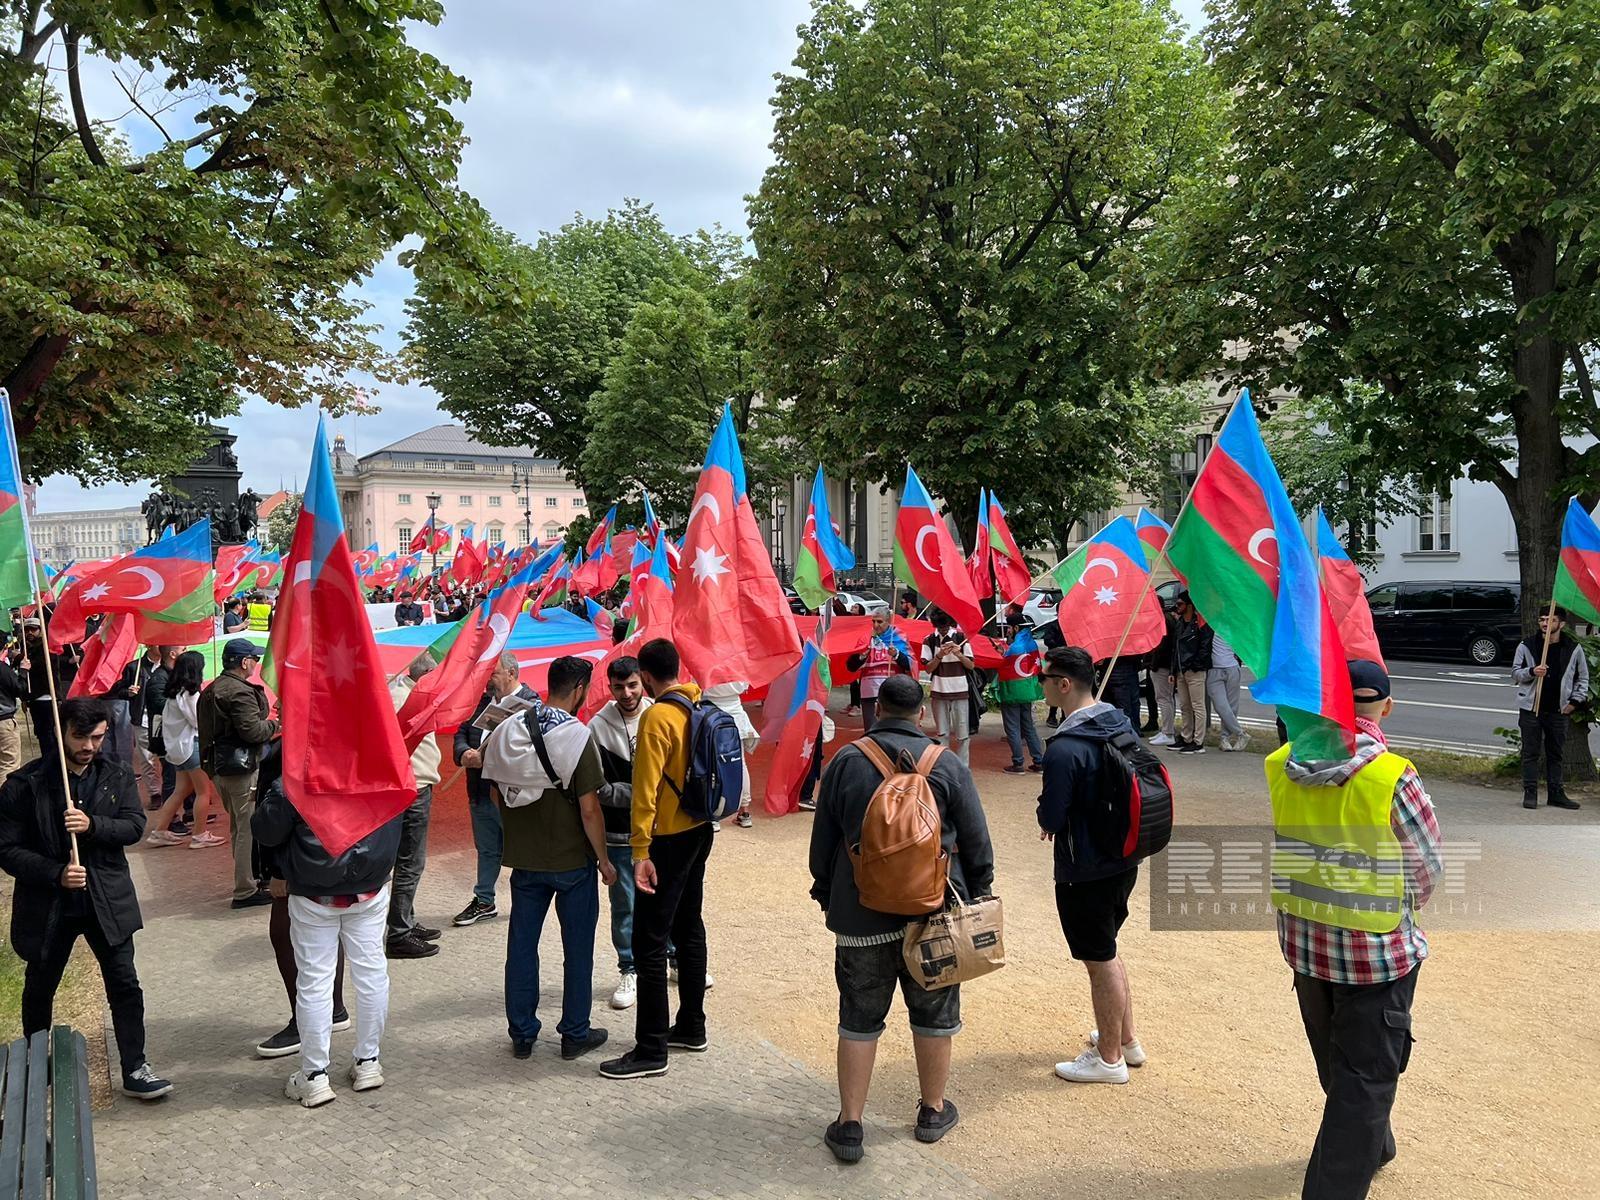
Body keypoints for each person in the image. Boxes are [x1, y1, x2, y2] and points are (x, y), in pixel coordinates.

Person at [1267, 659, 1442, 1198]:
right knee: (1365, 1077)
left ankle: (1374, 1142)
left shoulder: (1281, 762)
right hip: (1375, 953)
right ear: (1385, 707)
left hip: (1305, 944)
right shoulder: (1392, 775)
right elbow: (1426, 868)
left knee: (1341, 1061)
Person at [807, 673, 994, 1163]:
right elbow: (976, 842)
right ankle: (932, 1110)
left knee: (859, 1017)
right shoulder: (946, 764)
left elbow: (822, 845)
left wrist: (828, 896)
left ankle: (850, 1124)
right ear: (922, 709)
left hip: (859, 916)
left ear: (878, 707)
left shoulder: (847, 762)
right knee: (934, 1013)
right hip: (933, 915)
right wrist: (979, 892)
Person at [0, 696, 173, 1099]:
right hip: (48, 905)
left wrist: (93, 825)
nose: (90, 746)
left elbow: (132, 827)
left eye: (97, 737)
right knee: (40, 986)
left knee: (125, 983)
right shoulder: (24, 786)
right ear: (60, 732)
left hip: (106, 900)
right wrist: (55, 873)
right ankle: (36, 1061)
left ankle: (135, 1065)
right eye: (81, 737)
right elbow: (6, 849)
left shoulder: (114, 776)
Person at [481, 656, 616, 1060]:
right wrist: (605, 861)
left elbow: (493, 790)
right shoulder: (576, 735)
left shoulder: (510, 727)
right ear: (578, 690)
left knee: (522, 948)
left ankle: (522, 1033)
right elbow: (590, 809)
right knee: (578, 950)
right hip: (572, 861)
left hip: (525, 860)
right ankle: (575, 1032)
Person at [252, 758, 401, 1108]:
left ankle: (315, 1074)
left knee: (315, 980)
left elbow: (266, 830)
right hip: (369, 883)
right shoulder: (378, 759)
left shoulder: (298, 770)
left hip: (314, 888)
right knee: (372, 972)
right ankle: (368, 1062)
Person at [599, 638, 714, 1080]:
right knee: (689, 927)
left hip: (665, 840)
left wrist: (640, 850)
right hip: (699, 829)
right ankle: (691, 1025)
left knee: (648, 942)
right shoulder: (697, 705)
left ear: (645, 678)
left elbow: (643, 794)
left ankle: (650, 1049)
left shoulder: (656, 718)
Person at [1037, 645, 1145, 1084]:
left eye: (1044, 677)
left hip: (1086, 867)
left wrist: (1045, 812)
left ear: (1064, 684)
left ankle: (1109, 1060)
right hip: (1123, 855)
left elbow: (1051, 818)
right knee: (1108, 950)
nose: (1040, 683)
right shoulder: (1117, 722)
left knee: (1099, 958)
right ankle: (1125, 1041)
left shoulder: (1065, 748)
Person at [252, 743, 352, 1060]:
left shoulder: (295, 744)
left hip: (301, 860)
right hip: (333, 858)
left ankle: (305, 1020)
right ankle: (332, 1009)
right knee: (322, 933)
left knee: (287, 936)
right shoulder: (332, 741)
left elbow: (279, 815)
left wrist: (276, 871)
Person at [452, 653, 536, 927]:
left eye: (494, 672)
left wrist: (486, 759)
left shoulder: (530, 705)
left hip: (510, 797)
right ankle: (484, 900)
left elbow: (528, 749)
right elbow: (462, 730)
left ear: (511, 673)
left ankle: (528, 902)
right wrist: (464, 753)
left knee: (522, 850)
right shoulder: (483, 700)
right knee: (487, 849)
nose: (489, 678)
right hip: (479, 791)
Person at [589, 655, 652, 1010]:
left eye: (632, 685)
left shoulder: (658, 714)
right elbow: (598, 787)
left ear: (642, 682)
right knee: (624, 903)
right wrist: (646, 794)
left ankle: (670, 957)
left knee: (663, 897)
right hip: (618, 834)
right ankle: (629, 967)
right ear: (609, 687)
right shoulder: (598, 727)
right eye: (619, 687)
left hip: (658, 832)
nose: (627, 693)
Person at [198, 638, 280, 908]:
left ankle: (246, 880)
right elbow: (253, 731)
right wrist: (278, 725)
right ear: (244, 662)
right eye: (254, 660)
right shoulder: (239, 692)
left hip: (220, 768)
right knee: (245, 829)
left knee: (238, 827)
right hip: (240, 768)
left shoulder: (212, 689)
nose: (256, 664)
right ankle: (245, 888)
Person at [386, 654, 443, 959]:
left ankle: (404, 919)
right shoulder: (407, 698)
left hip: (409, 785)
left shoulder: (399, 692)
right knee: (410, 861)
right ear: (425, 677)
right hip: (413, 787)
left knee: (406, 859)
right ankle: (399, 933)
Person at [144, 651, 224, 848]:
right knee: (203, 792)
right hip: (192, 746)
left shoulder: (175, 692)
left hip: (179, 749)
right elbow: (198, 722)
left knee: (180, 791)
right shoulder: (190, 694)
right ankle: (199, 834)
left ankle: (160, 830)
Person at [1512, 606, 1587, 810]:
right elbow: (1516, 673)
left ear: (1561, 624)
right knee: (1531, 753)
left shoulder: (1573, 648)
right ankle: (1530, 792)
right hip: (1531, 709)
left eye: (1550, 620)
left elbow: (1582, 677)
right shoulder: (1527, 645)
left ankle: (1556, 793)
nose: (1545, 623)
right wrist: (1532, 671)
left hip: (1558, 710)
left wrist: (1574, 703)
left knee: (1556, 753)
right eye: (1542, 619)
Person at [109, 645, 164, 807]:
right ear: (147, 645)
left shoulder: (169, 665)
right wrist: (129, 692)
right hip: (144, 719)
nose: (160, 646)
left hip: (164, 719)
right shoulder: (134, 667)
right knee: (147, 759)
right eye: (156, 643)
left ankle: (171, 790)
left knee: (167, 759)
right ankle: (155, 793)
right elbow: (118, 690)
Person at [920, 610, 974, 766]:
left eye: (945, 627)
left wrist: (959, 654)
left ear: (950, 624)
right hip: (939, 691)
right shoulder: (929, 640)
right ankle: (943, 766)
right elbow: (928, 668)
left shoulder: (961, 638)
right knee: (941, 733)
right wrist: (939, 655)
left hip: (960, 690)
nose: (943, 631)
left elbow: (971, 665)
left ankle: (963, 767)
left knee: (963, 734)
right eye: (940, 628)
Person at [703, 680, 759, 828]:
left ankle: (713, 815)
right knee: (740, 763)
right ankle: (744, 812)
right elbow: (746, 685)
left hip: (711, 716)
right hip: (736, 714)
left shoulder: (705, 660)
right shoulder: (738, 660)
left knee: (711, 765)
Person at [845, 613, 913, 733]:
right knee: (872, 731)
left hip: (893, 691)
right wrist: (861, 656)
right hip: (869, 692)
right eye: (874, 621)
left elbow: (910, 665)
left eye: (880, 622)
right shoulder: (865, 638)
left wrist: (897, 655)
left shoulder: (898, 637)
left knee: (892, 730)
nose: (876, 625)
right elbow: (851, 667)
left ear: (888, 622)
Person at [997, 630, 1046, 775]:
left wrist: (1002, 652)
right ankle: (1039, 761)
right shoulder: (1031, 644)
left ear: (1015, 627)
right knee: (1029, 727)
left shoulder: (1014, 647)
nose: (1008, 630)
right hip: (1027, 691)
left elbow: (1005, 664)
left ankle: (1018, 763)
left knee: (1012, 728)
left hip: (1012, 691)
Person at [1170, 592, 1212, 754]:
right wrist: (1173, 670)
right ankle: (1186, 737)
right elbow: (1176, 649)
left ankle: (1198, 741)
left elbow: (1205, 648)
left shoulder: (1201, 624)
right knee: (1185, 705)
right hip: (1181, 670)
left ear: (1189, 605)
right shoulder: (1180, 623)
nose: (1177, 607)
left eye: (1180, 604)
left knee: (1198, 706)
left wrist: (1194, 665)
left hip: (1194, 671)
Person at [141, 645, 179, 814]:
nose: (184, 653)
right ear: (172, 654)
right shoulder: (158, 679)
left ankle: (189, 810)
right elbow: (161, 706)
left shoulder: (173, 675)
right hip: (164, 736)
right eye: (183, 650)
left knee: (183, 776)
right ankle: (171, 820)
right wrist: (184, 704)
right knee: (170, 777)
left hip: (175, 735)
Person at [1206, 631, 1249, 752]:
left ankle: (1225, 739)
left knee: (1232, 706)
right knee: (1221, 706)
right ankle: (1241, 733)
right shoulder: (1209, 625)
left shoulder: (1235, 626)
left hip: (1232, 668)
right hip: (1214, 669)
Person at [1148, 602, 1179, 747]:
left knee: (1164, 698)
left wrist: (1154, 663)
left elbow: (1162, 645)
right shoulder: (1167, 618)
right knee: (1165, 698)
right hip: (1163, 665)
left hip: (1162, 666)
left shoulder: (1164, 620)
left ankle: (1168, 732)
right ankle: (1166, 730)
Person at [0, 635, 28, 789]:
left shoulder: (5, 669)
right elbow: (20, 689)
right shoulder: (3, 669)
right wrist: (23, 672)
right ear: (5, 647)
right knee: (8, 764)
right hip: (3, 722)